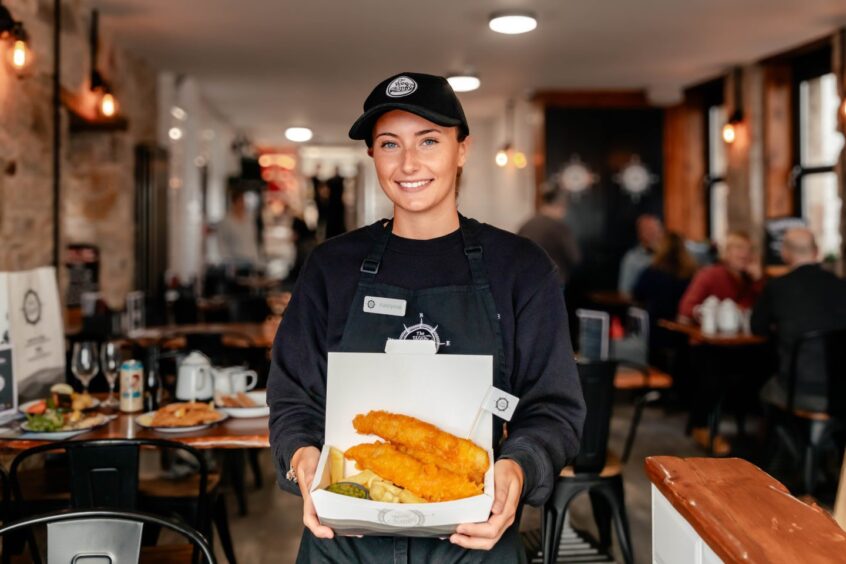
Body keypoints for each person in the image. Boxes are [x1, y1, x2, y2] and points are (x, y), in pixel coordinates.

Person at [267, 72, 585, 562]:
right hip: (345, 541)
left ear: (462, 149)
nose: (409, 163)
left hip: (474, 539)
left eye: (429, 140)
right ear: (372, 154)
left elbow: (554, 409)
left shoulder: (521, 267)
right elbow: (293, 396)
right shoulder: (331, 266)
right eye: (390, 143)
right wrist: (303, 459)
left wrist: (519, 468)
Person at [751, 228, 846, 412]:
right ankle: (821, 438)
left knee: (764, 387)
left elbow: (757, 328)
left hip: (800, 390)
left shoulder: (776, 288)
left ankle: (793, 440)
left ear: (785, 253)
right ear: (816, 251)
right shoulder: (842, 286)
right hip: (841, 389)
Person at [632, 232, 697, 356]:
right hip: (683, 329)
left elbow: (637, 294)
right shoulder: (691, 272)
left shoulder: (652, 271)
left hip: (656, 330)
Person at [677, 231, 763, 323]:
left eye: (750, 250)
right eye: (739, 248)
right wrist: (709, 312)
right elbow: (686, 307)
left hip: (743, 335)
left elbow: (764, 309)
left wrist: (758, 279)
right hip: (712, 335)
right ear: (726, 252)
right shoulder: (710, 275)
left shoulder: (752, 279)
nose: (745, 254)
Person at [517, 188, 581, 286]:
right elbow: (575, 257)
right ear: (560, 206)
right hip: (553, 280)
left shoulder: (527, 224)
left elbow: (516, 252)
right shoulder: (559, 227)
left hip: (527, 280)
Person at [618, 214, 664, 295]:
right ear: (639, 233)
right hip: (641, 304)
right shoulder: (632, 258)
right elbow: (624, 291)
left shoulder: (670, 255)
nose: (653, 233)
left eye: (656, 229)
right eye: (648, 230)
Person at [217, 189, 262, 271]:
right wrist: (227, 260)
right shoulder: (226, 221)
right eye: (240, 201)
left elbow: (252, 240)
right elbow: (222, 242)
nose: (243, 205)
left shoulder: (249, 219)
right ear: (234, 203)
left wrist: (256, 259)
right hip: (234, 261)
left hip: (250, 259)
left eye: (244, 202)